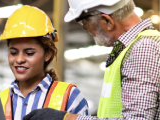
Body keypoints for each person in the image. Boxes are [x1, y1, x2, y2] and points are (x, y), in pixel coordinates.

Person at [23, 0, 160, 119]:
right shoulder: (129, 49)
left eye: (84, 20)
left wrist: (68, 119)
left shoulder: (143, 47)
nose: (84, 27)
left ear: (107, 20)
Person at [0, 5, 89, 120]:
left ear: (48, 54)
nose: (19, 59)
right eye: (13, 52)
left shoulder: (70, 96)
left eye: (29, 53)